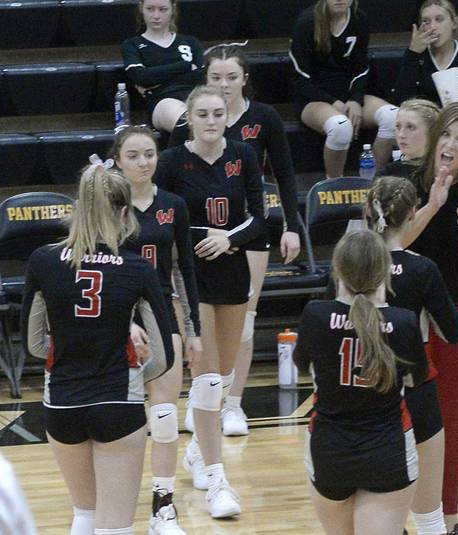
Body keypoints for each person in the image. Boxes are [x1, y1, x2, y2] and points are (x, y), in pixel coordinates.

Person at [21, 163, 175, 535]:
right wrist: (134, 374)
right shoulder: (137, 268)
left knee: (84, 515)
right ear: (124, 213)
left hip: (62, 403)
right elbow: (163, 355)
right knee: (114, 528)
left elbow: (34, 344)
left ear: (79, 207)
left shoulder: (43, 260)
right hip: (117, 403)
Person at [171, 42, 302, 437]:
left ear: (244, 79)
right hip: (202, 239)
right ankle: (204, 399)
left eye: (231, 77)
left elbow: (284, 173)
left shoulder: (261, 121)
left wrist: (291, 225)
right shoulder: (189, 130)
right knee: (201, 325)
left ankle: (232, 404)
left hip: (246, 234)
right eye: (215, 77)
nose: (224, 84)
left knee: (244, 323)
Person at [158, 85, 267, 519]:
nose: (210, 120)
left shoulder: (243, 155)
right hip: (191, 274)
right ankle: (217, 478)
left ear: (227, 116)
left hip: (233, 268)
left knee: (222, 376)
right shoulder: (170, 162)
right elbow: (159, 216)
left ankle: (199, 450)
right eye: (201, 113)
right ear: (189, 116)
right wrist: (198, 241)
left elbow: (260, 219)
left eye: (217, 113)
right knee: (204, 376)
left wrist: (230, 239)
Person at [393, 101, 458, 534]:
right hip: (402, 313)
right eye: (447, 135)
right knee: (400, 414)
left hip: (455, 308)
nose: (450, 145)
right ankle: (397, 513)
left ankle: (447, 519)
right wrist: (434, 204)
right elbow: (395, 240)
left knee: (451, 417)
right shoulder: (407, 180)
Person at [295, 229, 428, 535]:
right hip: (387, 449)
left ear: (337, 270)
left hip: (330, 450)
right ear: (385, 272)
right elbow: (418, 377)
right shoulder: (404, 321)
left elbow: (302, 364)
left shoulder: (315, 314)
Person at [110, 126, 202, 535]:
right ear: (117, 160)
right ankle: (113, 505)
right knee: (121, 418)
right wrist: (125, 322)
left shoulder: (174, 204)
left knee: (165, 415)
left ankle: (163, 506)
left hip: (163, 311)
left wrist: (194, 328)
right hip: (116, 316)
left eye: (149, 154)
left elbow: (185, 269)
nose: (143, 162)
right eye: (133, 155)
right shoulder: (107, 207)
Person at [364, 176, 458, 535]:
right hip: (414, 387)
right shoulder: (422, 269)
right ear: (411, 218)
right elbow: (453, 332)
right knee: (430, 519)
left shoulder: (351, 264)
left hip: (363, 389)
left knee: (374, 514)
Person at [289, 0, 398, 178]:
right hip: (313, 99)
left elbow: (362, 68)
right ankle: (334, 185)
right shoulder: (307, 23)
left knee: (392, 116)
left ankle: (375, 183)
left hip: (349, 94)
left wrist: (355, 99)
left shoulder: (358, 20)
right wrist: (334, 102)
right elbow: (300, 80)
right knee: (341, 127)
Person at [121, 0, 204, 132]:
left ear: (173, 9)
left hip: (197, 96)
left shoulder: (190, 42)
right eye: (150, 9)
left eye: (163, 9)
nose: (156, 16)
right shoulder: (133, 44)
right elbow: (140, 77)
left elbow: (202, 75)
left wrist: (157, 78)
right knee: (188, 124)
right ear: (141, 8)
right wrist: (186, 66)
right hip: (163, 100)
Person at [393, 0, 458, 107]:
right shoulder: (415, 57)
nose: (432, 27)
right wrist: (413, 54)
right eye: (426, 21)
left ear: (454, 23)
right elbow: (402, 100)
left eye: (439, 19)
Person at [382, 98, 441, 177]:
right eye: (398, 126)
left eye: (410, 127)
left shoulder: (446, 171)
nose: (401, 135)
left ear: (431, 131)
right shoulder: (389, 173)